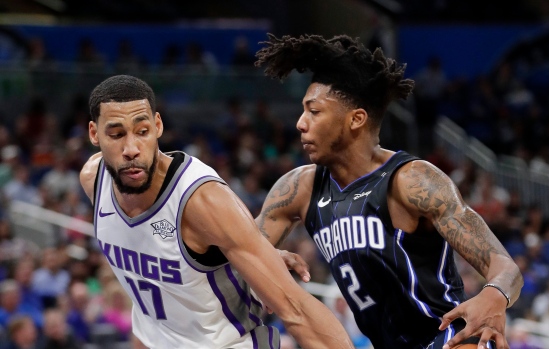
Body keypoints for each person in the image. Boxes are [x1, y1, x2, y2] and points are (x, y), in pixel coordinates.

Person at [254, 34, 524, 349]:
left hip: (448, 337)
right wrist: (261, 257)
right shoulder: (298, 188)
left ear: (356, 119)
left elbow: (505, 268)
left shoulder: (411, 181)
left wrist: (495, 294)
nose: (301, 123)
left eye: (314, 112)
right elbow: (236, 249)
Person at [79, 75, 354, 349]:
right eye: (116, 135)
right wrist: (229, 259)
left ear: (158, 126)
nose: (131, 149)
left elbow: (296, 309)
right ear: (94, 133)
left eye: (142, 131)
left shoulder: (202, 200)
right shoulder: (94, 179)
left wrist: (258, 256)